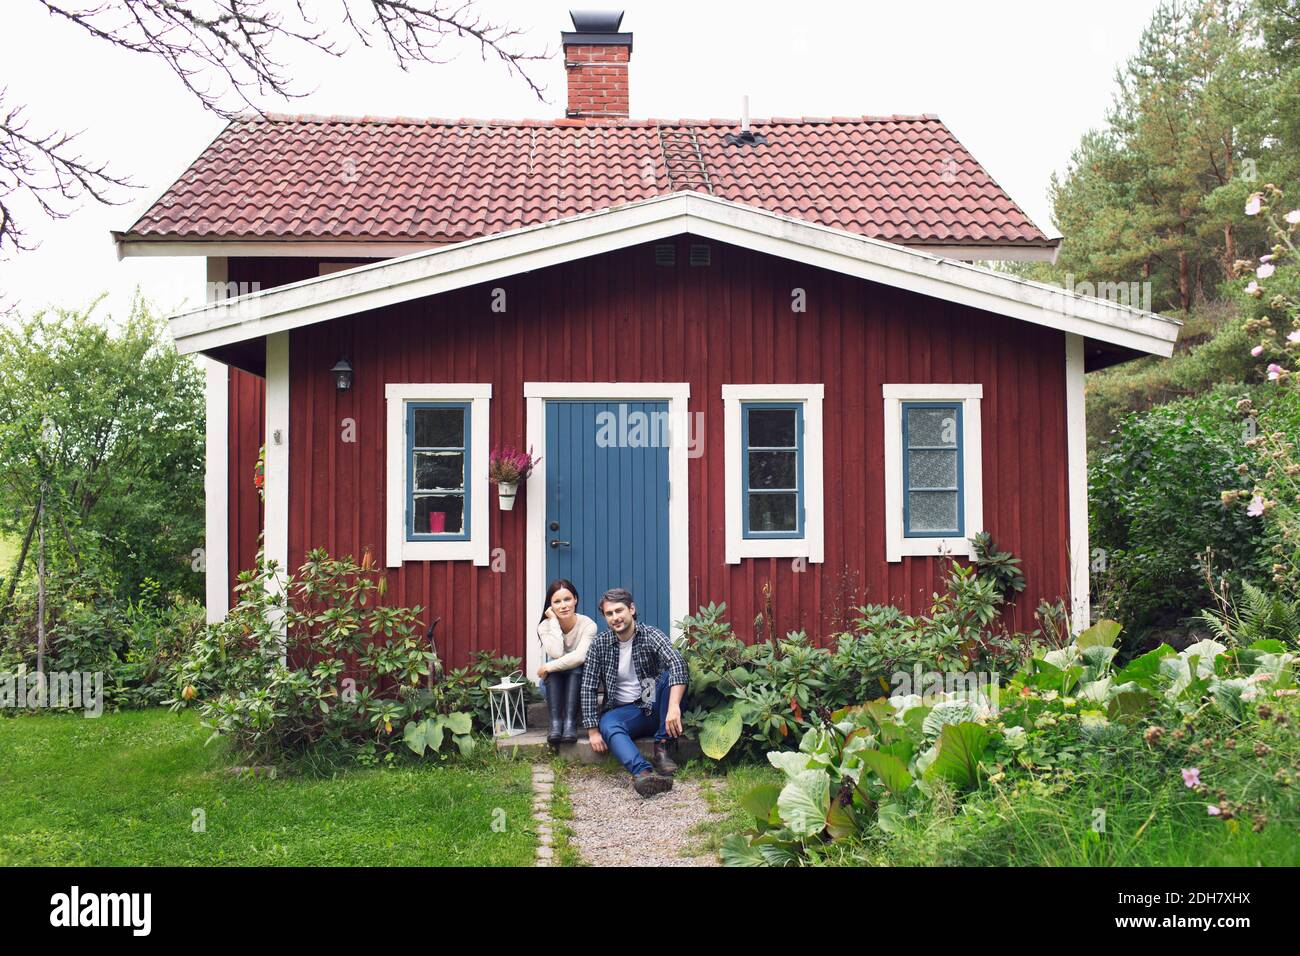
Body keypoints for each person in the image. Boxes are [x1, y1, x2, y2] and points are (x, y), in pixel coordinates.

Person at [579, 587, 688, 797]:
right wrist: (592, 731)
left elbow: (678, 663)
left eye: (619, 611)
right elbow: (588, 686)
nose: (615, 617)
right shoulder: (600, 644)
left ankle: (662, 749)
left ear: (631, 609)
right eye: (609, 614)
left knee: (668, 675)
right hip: (625, 709)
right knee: (608, 724)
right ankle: (644, 774)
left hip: (651, 698)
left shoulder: (650, 634)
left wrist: (674, 707)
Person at [536, 579, 596, 748]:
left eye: (567, 599)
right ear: (551, 606)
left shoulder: (588, 625)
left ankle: (570, 724)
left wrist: (547, 667)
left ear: (575, 599)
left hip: (579, 683)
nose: (563, 605)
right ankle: (555, 724)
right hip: (554, 684)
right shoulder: (544, 627)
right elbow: (555, 653)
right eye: (557, 601)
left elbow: (579, 657)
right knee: (556, 668)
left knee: (574, 667)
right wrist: (554, 622)